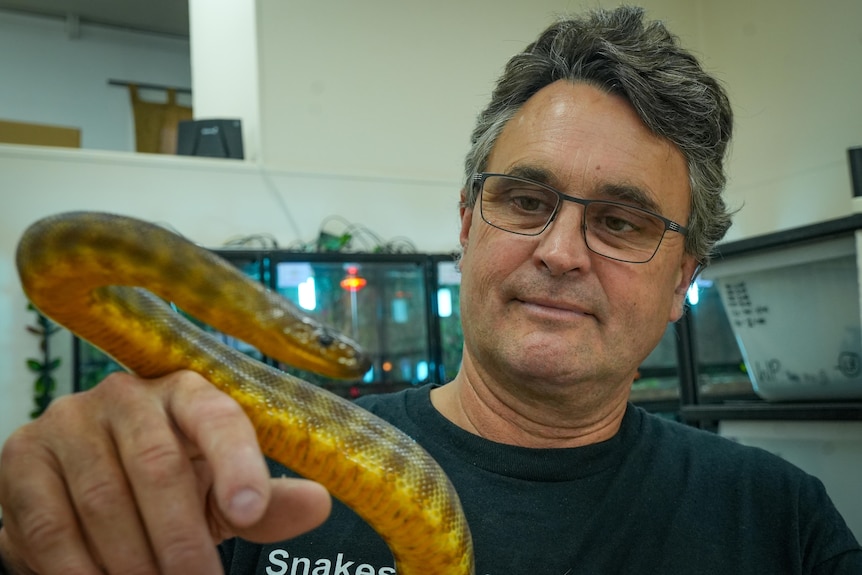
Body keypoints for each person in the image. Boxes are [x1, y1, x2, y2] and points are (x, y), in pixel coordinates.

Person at [1, 5, 860, 574]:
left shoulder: (778, 519)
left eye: (622, 223)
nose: (560, 251)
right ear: (466, 223)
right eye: (525, 200)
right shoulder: (248, 479)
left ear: (684, 280)